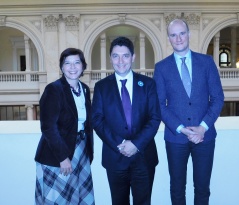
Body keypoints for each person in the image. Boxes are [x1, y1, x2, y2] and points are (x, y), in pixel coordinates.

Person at [153, 19, 224, 205]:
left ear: (189, 34)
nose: (178, 38)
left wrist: (202, 128)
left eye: (182, 33)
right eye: (173, 35)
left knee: (202, 189)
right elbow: (160, 105)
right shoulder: (161, 68)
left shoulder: (207, 62)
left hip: (205, 137)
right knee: (177, 189)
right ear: (168, 38)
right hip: (175, 137)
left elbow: (217, 98)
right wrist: (182, 129)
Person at [92, 36, 161, 205]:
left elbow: (155, 118)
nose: (120, 60)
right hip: (115, 157)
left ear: (133, 57)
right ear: (110, 59)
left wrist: (135, 144)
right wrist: (121, 143)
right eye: (115, 56)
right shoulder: (101, 87)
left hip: (144, 157)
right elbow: (97, 120)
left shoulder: (148, 84)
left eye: (125, 55)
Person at [34, 48, 95, 205]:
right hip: (57, 153)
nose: (72, 67)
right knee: (59, 200)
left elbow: (86, 123)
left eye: (77, 62)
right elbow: (48, 127)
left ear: (83, 66)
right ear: (61, 67)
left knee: (80, 197)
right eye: (67, 63)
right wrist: (62, 158)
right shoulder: (53, 89)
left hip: (80, 150)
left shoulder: (85, 89)